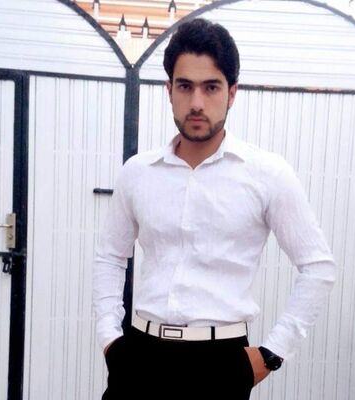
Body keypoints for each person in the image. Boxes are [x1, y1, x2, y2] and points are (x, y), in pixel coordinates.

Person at [93, 18, 336, 400]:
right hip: (139, 357)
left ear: (232, 92)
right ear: (169, 90)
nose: (196, 103)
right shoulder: (138, 172)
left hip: (220, 364)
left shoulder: (266, 173)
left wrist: (272, 353)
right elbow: (110, 256)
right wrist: (110, 337)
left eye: (211, 87)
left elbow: (318, 267)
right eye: (185, 86)